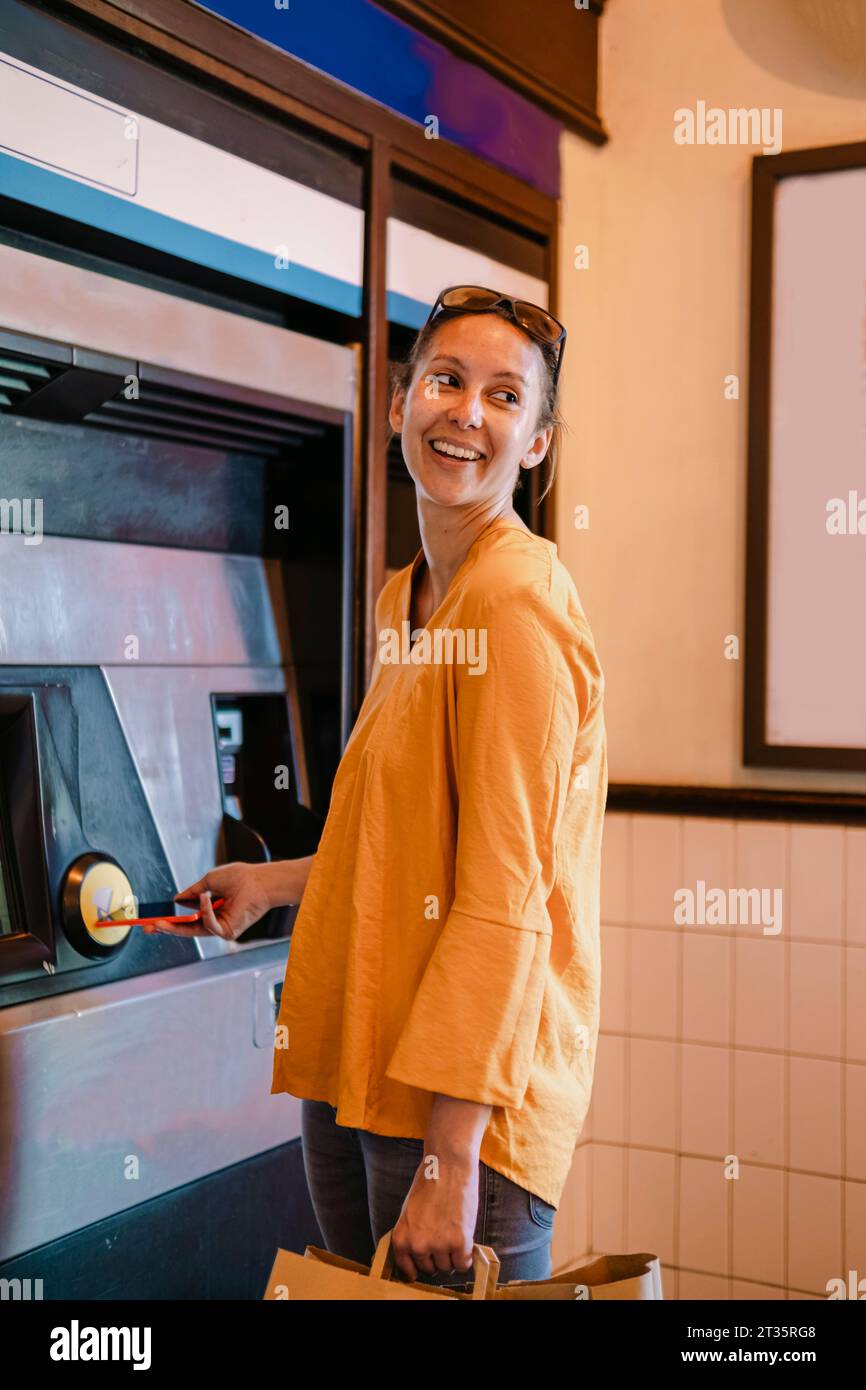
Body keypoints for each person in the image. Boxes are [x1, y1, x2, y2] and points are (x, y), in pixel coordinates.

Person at [147, 285, 607, 1290]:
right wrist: (270, 888)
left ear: (534, 443)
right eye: (445, 380)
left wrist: (449, 1155)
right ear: (401, 398)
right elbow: (399, 842)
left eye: (502, 397)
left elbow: (500, 896)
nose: (465, 413)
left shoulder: (515, 603)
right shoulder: (413, 593)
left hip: (452, 1111)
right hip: (364, 1066)